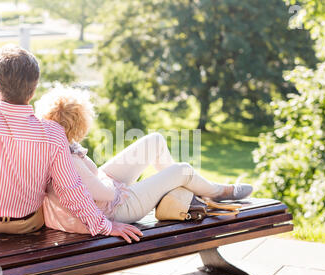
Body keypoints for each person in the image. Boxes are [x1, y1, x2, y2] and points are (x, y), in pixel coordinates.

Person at [0, 45, 142, 269]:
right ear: (33, 90)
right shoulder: (53, 133)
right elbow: (70, 189)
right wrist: (105, 226)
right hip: (28, 224)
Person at [35, 86, 253, 235]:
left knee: (155, 141)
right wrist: (113, 183)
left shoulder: (59, 144)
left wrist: (106, 178)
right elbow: (106, 193)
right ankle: (217, 191)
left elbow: (92, 185)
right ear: (80, 122)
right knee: (183, 170)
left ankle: (181, 193)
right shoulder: (68, 160)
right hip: (114, 209)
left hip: (103, 194)